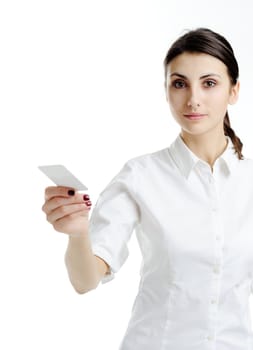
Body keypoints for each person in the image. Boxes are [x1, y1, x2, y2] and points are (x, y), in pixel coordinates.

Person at [42, 28, 253, 349]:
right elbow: (86, 280)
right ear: (167, 91)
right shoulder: (140, 176)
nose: (193, 98)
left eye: (209, 83)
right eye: (179, 83)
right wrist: (77, 233)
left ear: (234, 91)